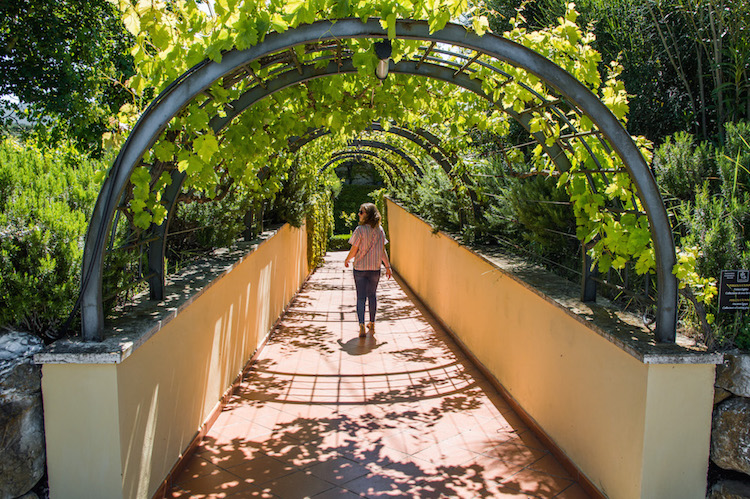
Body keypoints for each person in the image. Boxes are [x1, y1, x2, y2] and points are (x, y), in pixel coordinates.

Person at [344, 202, 392, 338]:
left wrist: (347, 259)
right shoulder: (380, 230)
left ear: (368, 215)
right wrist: (387, 266)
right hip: (375, 268)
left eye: (361, 212)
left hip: (360, 268)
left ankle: (361, 325)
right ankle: (372, 322)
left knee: (361, 297)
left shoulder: (359, 230)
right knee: (372, 295)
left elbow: (354, 250)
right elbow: (383, 251)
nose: (359, 214)